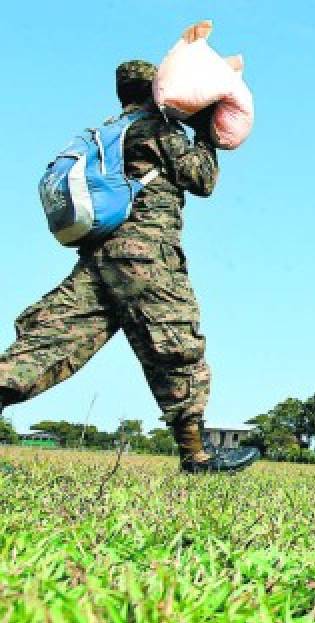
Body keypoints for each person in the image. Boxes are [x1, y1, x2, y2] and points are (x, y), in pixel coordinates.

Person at [0, 61, 256, 474]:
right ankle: (198, 454)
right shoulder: (157, 129)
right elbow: (202, 179)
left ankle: (196, 452)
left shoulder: (107, 132)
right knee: (175, 345)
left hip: (100, 258)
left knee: (48, 343)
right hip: (145, 258)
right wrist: (207, 132)